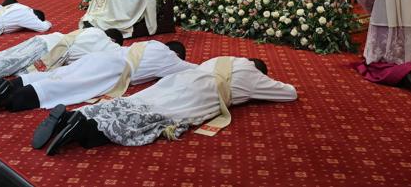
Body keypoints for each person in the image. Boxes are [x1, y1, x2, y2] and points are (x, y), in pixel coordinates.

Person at [36, 56, 297, 154]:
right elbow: (290, 93)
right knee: (153, 118)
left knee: (136, 101)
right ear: (259, 70)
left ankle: (74, 116)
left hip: (179, 80)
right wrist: (265, 82)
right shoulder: (253, 76)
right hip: (201, 94)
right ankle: (83, 132)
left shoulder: (222, 58)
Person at [0, 40, 194, 117]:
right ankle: (7, 101)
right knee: (66, 87)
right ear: (174, 53)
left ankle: (6, 86)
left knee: (56, 74)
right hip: (113, 70)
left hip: (100, 57)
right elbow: (194, 69)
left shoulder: (148, 44)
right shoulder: (170, 58)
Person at [0, 27, 124, 93]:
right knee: (9, 64)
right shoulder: (111, 46)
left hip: (48, 38)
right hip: (51, 51)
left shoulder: (93, 29)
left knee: (5, 55)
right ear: (114, 40)